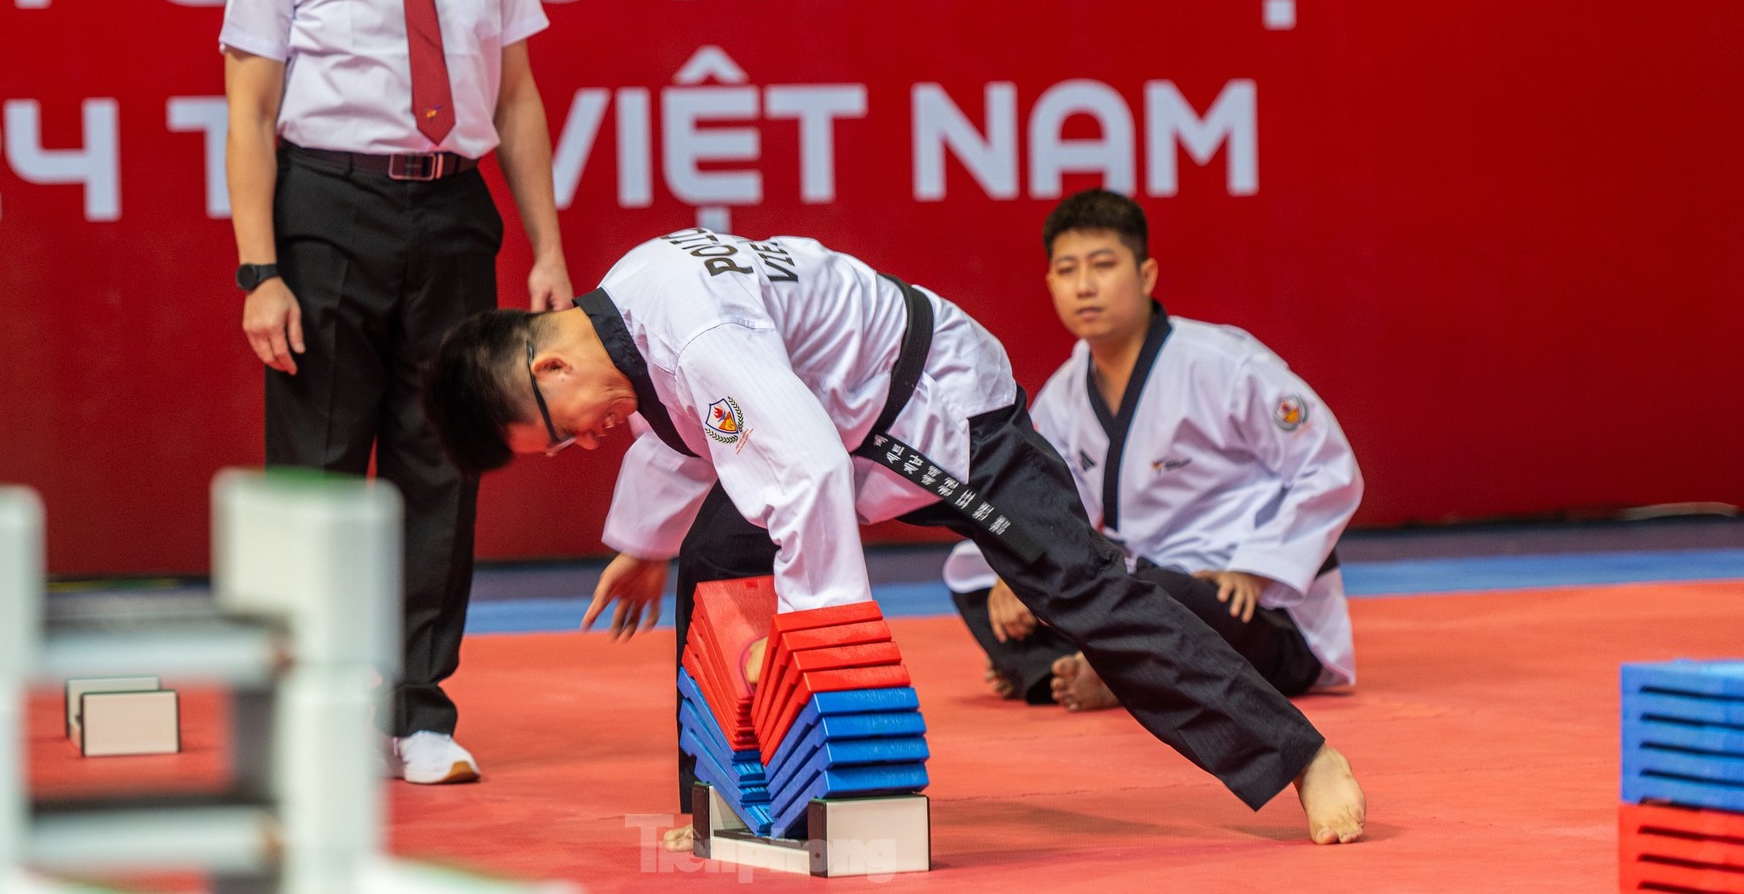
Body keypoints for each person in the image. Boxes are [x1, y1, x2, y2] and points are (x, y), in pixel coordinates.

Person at [422, 227, 1367, 846]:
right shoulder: (625, 306)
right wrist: (643, 540)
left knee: (1083, 592)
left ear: (548, 359)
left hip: (940, 406)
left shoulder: (690, 330)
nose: (573, 445)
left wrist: (823, 649)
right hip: (837, 422)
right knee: (712, 560)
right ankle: (730, 804)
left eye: (551, 430)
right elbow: (694, 430)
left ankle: (1299, 758)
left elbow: (803, 476)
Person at [220, 0, 572, 785]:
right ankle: (312, 708)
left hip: (453, 212)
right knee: (319, 474)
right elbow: (248, 112)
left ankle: (418, 712)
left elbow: (514, 97)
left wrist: (547, 248)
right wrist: (259, 270)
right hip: (327, 208)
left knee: (440, 463)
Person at [944, 189, 1363, 714]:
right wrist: (1013, 575)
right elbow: (1041, 505)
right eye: (1068, 270)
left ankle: (1104, 669)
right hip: (1142, 589)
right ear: (1050, 283)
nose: (1085, 286)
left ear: (1145, 275)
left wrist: (1256, 569)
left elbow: (1328, 470)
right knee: (975, 566)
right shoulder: (1067, 394)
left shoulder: (1223, 365)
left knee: (1155, 592)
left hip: (1257, 610)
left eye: (1103, 265)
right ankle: (1070, 670)